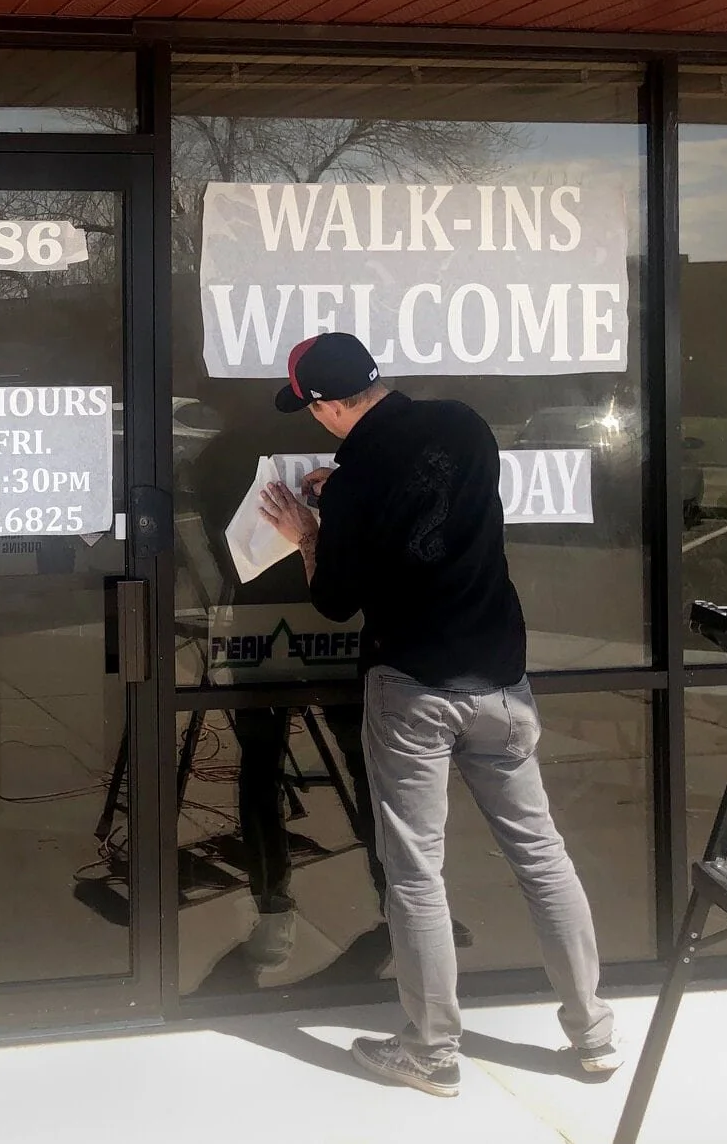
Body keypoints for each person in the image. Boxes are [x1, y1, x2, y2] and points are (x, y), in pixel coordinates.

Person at [256, 331, 620, 1099]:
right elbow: (426, 496)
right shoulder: (464, 423)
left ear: (325, 405)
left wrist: (309, 534)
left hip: (414, 689)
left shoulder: (353, 486)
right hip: (501, 683)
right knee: (541, 857)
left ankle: (431, 1052)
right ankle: (593, 1036)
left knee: (417, 876)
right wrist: (344, 490)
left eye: (310, 407)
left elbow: (335, 598)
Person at [187, 378, 385, 970]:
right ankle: (392, 897)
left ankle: (276, 906)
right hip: (308, 618)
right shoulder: (302, 449)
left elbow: (221, 551)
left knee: (267, 766)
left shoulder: (217, 456)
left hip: (287, 616)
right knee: (359, 764)